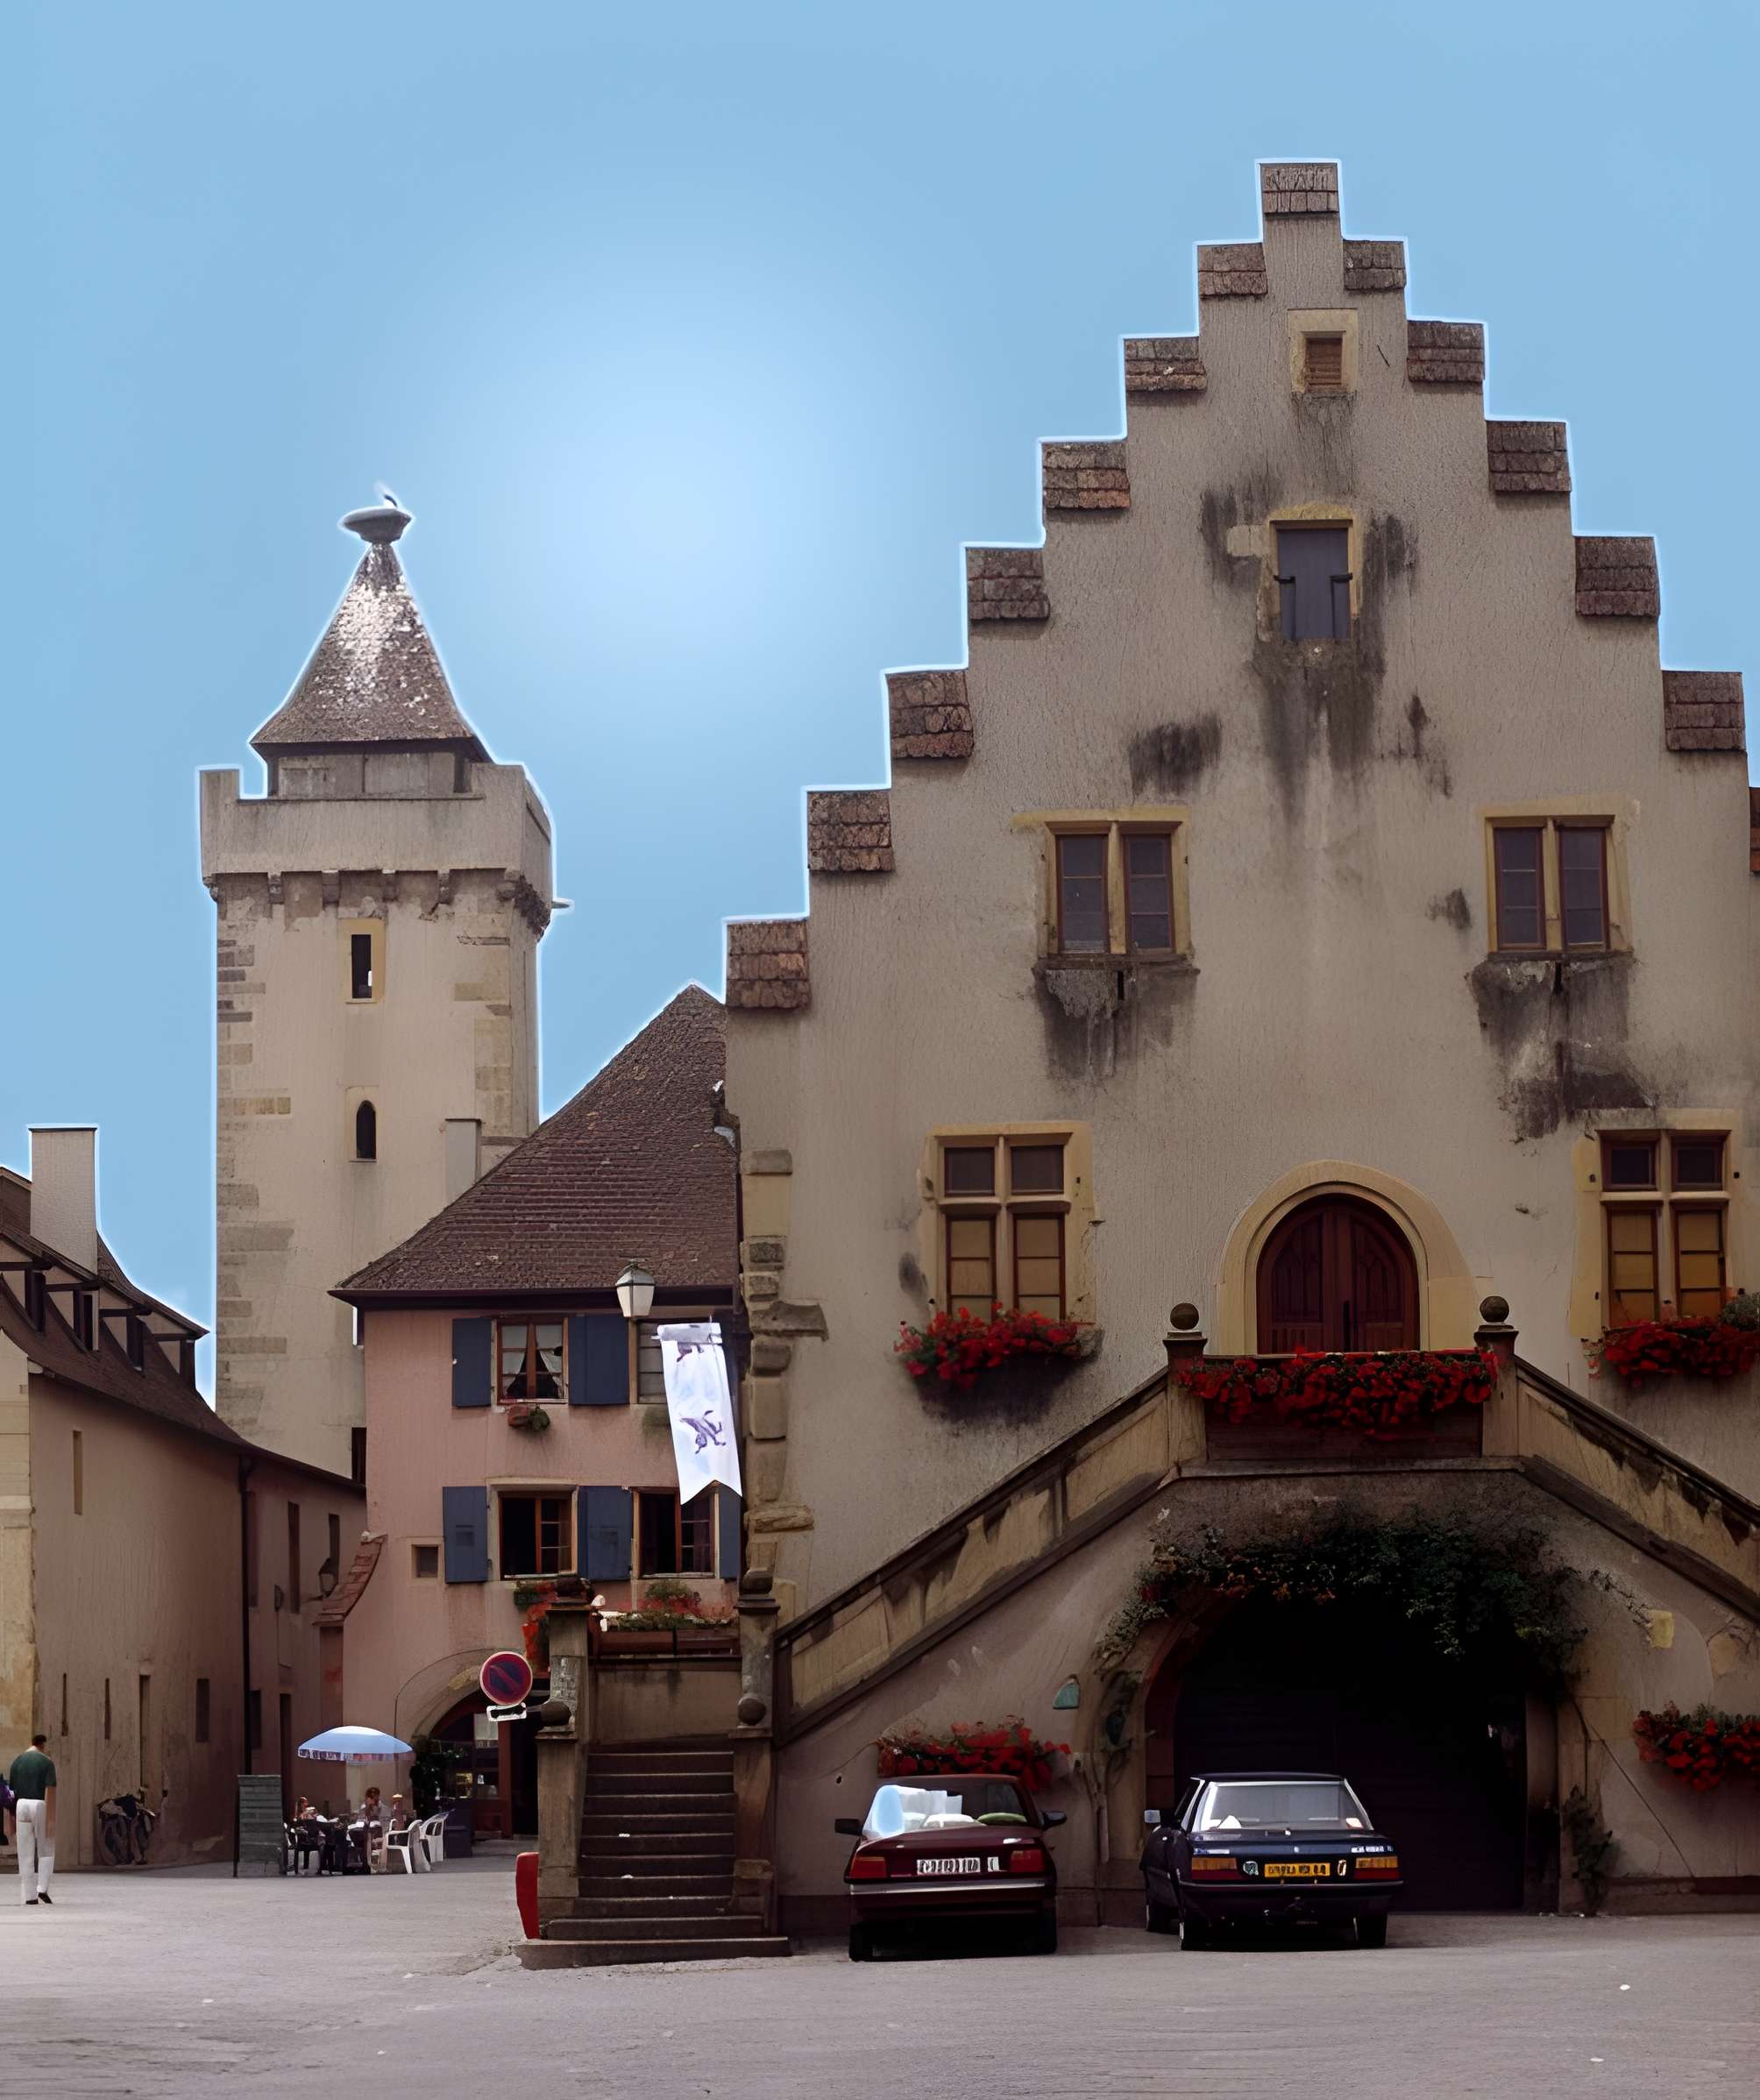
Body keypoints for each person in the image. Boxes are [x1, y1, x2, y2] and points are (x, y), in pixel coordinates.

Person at [9, 1734, 56, 1907]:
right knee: (46, 1848)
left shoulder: (17, 1761)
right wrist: (51, 1821)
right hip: (38, 1804)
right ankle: (42, 1888)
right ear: (42, 1745)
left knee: (25, 1853)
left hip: (21, 1805)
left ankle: (29, 1896)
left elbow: (11, 1794)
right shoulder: (46, 1762)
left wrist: (11, 1821)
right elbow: (50, 1791)